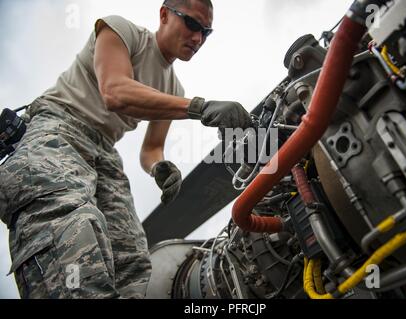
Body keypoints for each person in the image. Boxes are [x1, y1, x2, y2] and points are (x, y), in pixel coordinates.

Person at [0, 0, 252, 299]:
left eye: (206, 32)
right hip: (60, 127)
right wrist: (199, 108)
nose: (198, 38)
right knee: (71, 226)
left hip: (104, 152)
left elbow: (152, 149)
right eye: (192, 24)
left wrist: (159, 167)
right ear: (164, 14)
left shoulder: (173, 88)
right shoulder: (120, 30)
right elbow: (115, 91)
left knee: (133, 263)